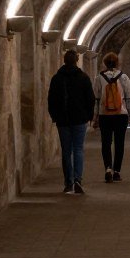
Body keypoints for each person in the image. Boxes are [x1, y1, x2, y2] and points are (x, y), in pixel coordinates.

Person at [46, 49, 95, 195]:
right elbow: (90, 99)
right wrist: (89, 116)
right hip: (79, 119)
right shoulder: (83, 78)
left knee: (66, 151)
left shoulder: (57, 78)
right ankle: (78, 179)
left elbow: (51, 100)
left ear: (64, 61)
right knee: (78, 149)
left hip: (63, 120)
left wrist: (55, 116)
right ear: (76, 60)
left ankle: (68, 182)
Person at [92, 52, 130, 183]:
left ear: (105, 63)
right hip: (120, 114)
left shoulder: (99, 78)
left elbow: (96, 99)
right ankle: (117, 171)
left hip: (104, 115)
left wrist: (95, 118)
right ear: (117, 63)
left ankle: (108, 168)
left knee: (106, 143)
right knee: (119, 143)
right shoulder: (124, 77)